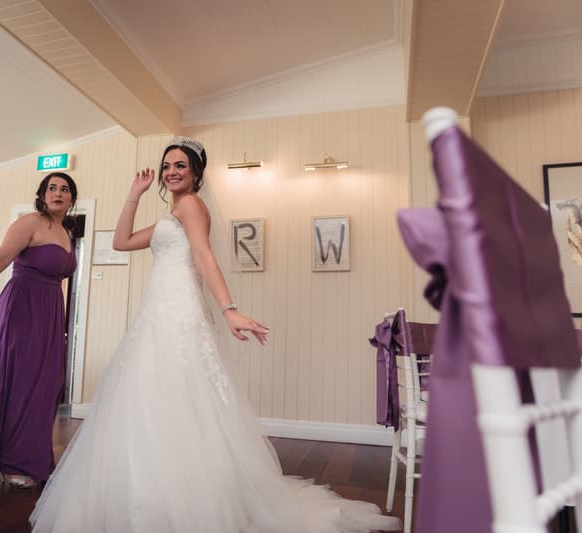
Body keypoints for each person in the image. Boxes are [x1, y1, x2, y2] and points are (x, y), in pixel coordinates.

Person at [30, 137, 401, 532]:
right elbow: (121, 242)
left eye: (180, 166)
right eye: (167, 165)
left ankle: (183, 496)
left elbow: (204, 256)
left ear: (195, 174)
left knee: (179, 395)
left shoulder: (191, 206)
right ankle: (157, 489)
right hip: (158, 311)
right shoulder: (172, 216)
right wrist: (133, 194)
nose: (172, 171)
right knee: (152, 395)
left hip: (180, 311)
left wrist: (229, 309)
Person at [0, 172, 79, 488]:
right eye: (52, 188)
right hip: (21, 307)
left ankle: (24, 455)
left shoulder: (65, 232)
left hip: (49, 312)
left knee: (44, 382)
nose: (58, 193)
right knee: (12, 377)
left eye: (65, 189)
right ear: (42, 195)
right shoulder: (29, 223)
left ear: (71, 198)